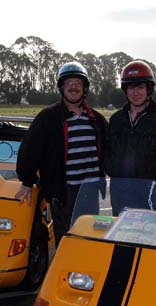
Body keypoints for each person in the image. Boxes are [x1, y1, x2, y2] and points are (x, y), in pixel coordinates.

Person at [15, 61, 108, 245]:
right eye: (69, 83)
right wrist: (27, 181)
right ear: (61, 87)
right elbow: (30, 149)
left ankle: (87, 273)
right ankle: (65, 273)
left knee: (90, 237)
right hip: (64, 191)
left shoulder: (96, 119)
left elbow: (110, 151)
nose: (73, 87)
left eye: (78, 83)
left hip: (90, 190)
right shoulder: (48, 117)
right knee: (66, 239)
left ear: (85, 88)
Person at [105, 60, 156, 215]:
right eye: (131, 87)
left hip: (153, 195)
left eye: (140, 87)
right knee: (121, 235)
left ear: (148, 89)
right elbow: (107, 151)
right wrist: (113, 170)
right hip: (121, 194)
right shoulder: (116, 120)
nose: (136, 92)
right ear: (125, 90)